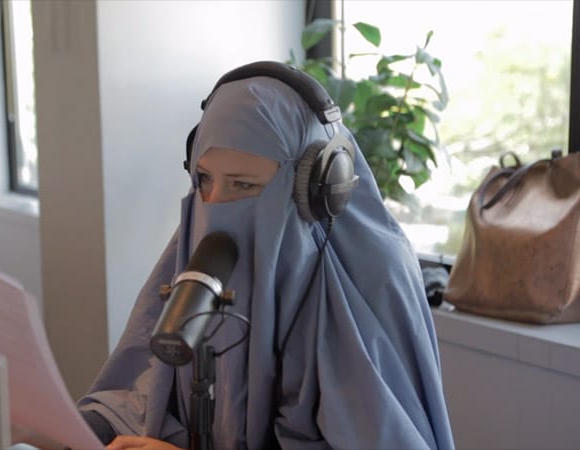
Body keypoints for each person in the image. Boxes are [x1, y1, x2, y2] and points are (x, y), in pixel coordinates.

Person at [73, 62, 454, 450]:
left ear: (315, 189)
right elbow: (138, 391)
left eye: (242, 185)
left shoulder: (375, 278)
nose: (215, 205)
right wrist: (84, 432)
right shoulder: (201, 246)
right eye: (204, 180)